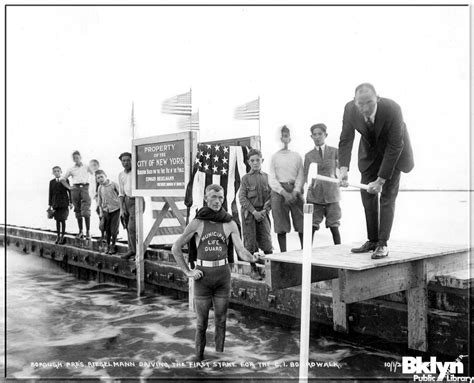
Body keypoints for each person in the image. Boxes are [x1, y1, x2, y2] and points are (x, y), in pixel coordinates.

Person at [171, 184, 259, 362]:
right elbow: (176, 248)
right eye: (213, 197)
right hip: (202, 278)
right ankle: (199, 361)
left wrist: (253, 258)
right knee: (201, 324)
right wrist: (188, 272)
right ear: (205, 198)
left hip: (222, 277)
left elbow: (241, 251)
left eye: (220, 197)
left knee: (221, 320)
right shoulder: (197, 222)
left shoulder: (229, 222)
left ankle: (220, 361)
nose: (217, 201)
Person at [338, 83, 414, 259]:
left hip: (394, 153)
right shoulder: (350, 109)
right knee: (367, 195)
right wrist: (343, 169)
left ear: (377, 99)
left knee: (387, 196)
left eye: (369, 103)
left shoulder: (393, 109)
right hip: (369, 153)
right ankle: (372, 240)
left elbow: (395, 145)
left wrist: (380, 180)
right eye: (360, 104)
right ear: (354, 101)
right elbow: (346, 139)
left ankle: (382, 243)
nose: (365, 108)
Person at [303, 124, 341, 245]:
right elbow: (305, 176)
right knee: (312, 226)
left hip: (332, 195)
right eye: (314, 134)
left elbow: (341, 171)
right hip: (315, 196)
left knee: (334, 225)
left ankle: (339, 253)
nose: (317, 137)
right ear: (311, 136)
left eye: (320, 134)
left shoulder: (335, 152)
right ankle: (307, 254)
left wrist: (342, 179)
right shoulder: (308, 156)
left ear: (326, 135)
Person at [268, 125, 304, 252]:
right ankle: (284, 254)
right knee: (281, 225)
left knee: (301, 223)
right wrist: (283, 192)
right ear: (279, 138)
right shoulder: (274, 157)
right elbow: (272, 178)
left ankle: (304, 251)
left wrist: (295, 191)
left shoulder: (296, 156)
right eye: (282, 136)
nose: (284, 139)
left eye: (286, 136)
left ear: (290, 138)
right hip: (279, 192)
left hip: (295, 190)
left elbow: (301, 175)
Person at [238, 149, 272, 281]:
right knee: (250, 243)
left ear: (262, 161)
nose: (255, 163)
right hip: (250, 215)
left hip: (263, 213)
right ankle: (253, 269)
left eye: (258, 160)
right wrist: (254, 212)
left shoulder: (267, 177)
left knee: (267, 242)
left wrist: (264, 210)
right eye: (252, 160)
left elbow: (271, 196)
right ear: (248, 162)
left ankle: (270, 271)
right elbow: (242, 198)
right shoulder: (245, 179)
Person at [60, 151, 93, 240]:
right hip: (75, 189)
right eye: (74, 158)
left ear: (80, 157)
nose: (76, 159)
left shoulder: (86, 166)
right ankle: (81, 231)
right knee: (77, 210)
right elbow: (62, 179)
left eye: (77, 157)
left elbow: (94, 173)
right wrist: (69, 187)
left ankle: (88, 232)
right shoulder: (71, 169)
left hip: (85, 188)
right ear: (73, 159)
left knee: (86, 210)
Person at [118, 152, 144, 260]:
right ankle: (131, 250)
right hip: (126, 201)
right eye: (123, 160)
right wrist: (121, 208)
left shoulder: (137, 172)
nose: (126, 162)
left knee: (133, 227)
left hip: (137, 200)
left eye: (128, 160)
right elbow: (121, 193)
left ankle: (137, 251)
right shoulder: (121, 175)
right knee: (127, 227)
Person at [96, 170, 121, 255]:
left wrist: (122, 207)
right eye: (98, 178)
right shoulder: (100, 187)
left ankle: (113, 245)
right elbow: (99, 201)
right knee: (107, 229)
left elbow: (120, 195)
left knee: (114, 229)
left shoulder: (113, 184)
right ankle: (108, 245)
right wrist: (101, 212)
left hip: (116, 209)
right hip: (106, 210)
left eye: (101, 177)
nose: (100, 179)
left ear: (105, 176)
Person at [49, 166, 72, 244]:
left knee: (63, 220)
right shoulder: (51, 182)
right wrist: (50, 205)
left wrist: (71, 202)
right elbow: (50, 194)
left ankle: (62, 236)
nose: (56, 173)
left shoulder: (65, 180)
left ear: (61, 172)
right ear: (53, 173)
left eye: (58, 171)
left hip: (64, 203)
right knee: (57, 220)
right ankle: (58, 236)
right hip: (56, 204)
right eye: (55, 171)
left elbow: (70, 191)